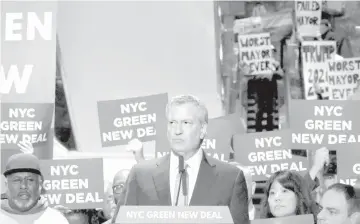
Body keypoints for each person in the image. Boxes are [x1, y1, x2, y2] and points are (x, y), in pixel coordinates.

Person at [114, 95, 249, 224]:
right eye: (172, 122)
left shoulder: (230, 178)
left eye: (186, 122)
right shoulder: (140, 174)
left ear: (202, 129)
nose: (177, 130)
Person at [0, 153, 69, 224]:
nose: (23, 186)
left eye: (30, 180)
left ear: (40, 184)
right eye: (16, 180)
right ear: (6, 184)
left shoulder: (56, 220)